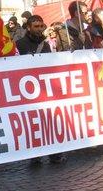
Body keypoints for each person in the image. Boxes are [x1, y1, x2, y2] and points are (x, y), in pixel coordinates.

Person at [17, 15, 67, 164]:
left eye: (41, 26)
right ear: (29, 27)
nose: (39, 29)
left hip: (45, 89)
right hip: (28, 91)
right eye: (36, 26)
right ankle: (35, 154)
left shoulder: (45, 45)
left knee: (50, 122)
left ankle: (53, 153)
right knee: (34, 124)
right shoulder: (20, 44)